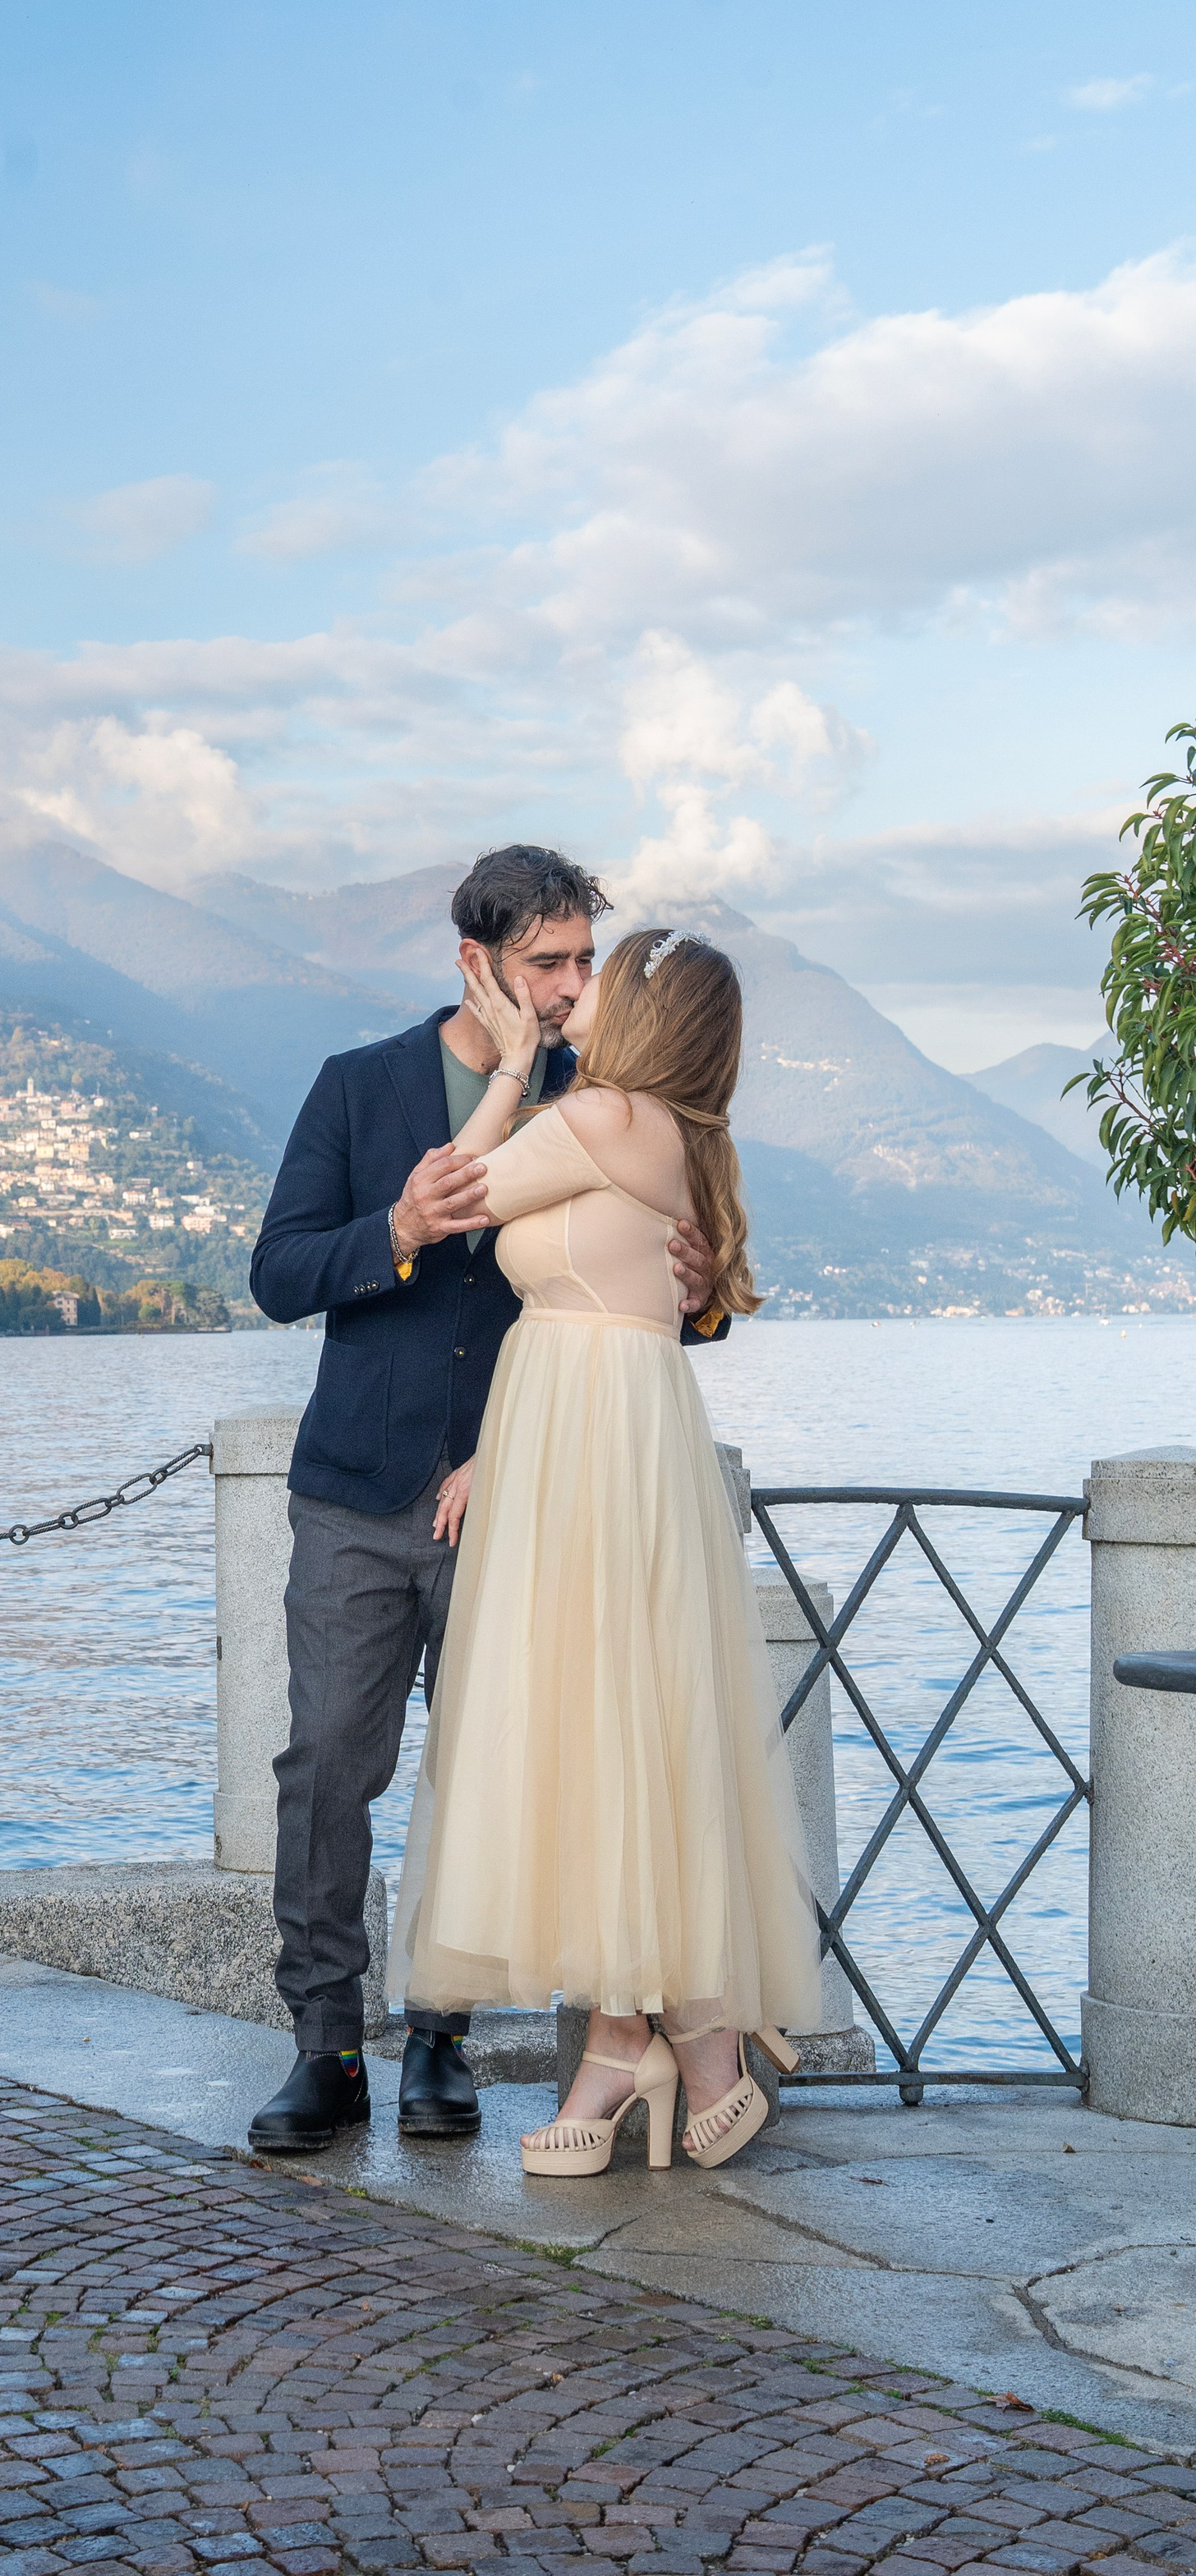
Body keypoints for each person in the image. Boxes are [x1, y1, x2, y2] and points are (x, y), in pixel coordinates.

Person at [245, 847, 722, 2155]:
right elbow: (279, 1273)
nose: (570, 986)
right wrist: (397, 1228)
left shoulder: (606, 1098)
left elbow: (664, 1301)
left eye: (584, 961)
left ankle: (440, 2046)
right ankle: (325, 2050)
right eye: (545, 962)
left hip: (530, 1501)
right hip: (355, 1491)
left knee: (496, 1770)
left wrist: (699, 1293)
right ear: (477, 962)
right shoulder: (359, 1085)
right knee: (325, 1770)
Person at [393, 925, 821, 2174]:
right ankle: (675, 2035)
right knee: (627, 1729)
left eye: (605, 975)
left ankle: (651, 2042)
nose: (579, 991)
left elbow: (454, 1191)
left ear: (641, 1012)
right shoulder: (675, 1135)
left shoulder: (599, 1118)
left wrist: (509, 1067)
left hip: (589, 1436)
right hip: (602, 1429)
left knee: (593, 1723)